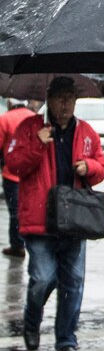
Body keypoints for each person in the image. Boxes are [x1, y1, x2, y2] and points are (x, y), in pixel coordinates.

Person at [5, 77, 104, 351]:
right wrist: (37, 145)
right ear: (49, 99)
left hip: (75, 221)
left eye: (70, 99)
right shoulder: (30, 128)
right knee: (43, 278)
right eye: (60, 98)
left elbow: (101, 166)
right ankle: (32, 319)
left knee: (73, 283)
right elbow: (13, 165)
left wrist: (91, 167)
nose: (65, 105)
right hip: (40, 220)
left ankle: (66, 340)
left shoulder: (86, 132)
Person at [1, 98, 36, 258]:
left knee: (15, 211)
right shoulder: (34, 118)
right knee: (29, 208)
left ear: (10, 103)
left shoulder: (5, 119)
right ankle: (29, 240)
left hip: (11, 174)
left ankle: (17, 244)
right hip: (31, 174)